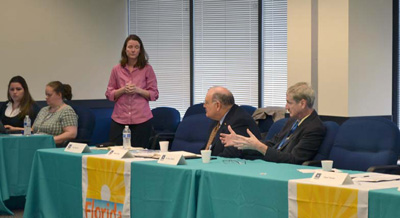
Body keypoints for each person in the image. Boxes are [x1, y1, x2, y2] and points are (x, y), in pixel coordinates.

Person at [221, 82, 326, 164]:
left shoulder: (314, 128)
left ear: (303, 103)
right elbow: (273, 143)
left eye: (289, 103)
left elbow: (294, 159)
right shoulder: (293, 121)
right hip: (271, 163)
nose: (286, 107)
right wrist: (244, 143)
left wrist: (259, 147)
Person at [106, 34, 159, 148]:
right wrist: (123, 90)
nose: (133, 50)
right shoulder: (116, 69)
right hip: (119, 119)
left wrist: (138, 90)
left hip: (141, 119)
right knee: (116, 152)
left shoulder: (147, 69)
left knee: (139, 154)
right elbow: (109, 94)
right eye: (130, 47)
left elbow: (154, 94)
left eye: (136, 47)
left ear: (140, 50)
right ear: (125, 49)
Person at [202, 86, 261, 158]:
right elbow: (208, 148)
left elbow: (230, 155)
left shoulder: (240, 120)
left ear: (218, 105)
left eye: (206, 103)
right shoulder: (217, 120)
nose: (204, 106)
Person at [33, 81, 78, 146]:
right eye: (46, 95)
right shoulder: (43, 110)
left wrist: (51, 140)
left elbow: (71, 133)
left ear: (59, 95)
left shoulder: (67, 110)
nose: (46, 97)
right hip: (36, 143)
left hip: (52, 146)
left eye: (49, 95)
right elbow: (33, 128)